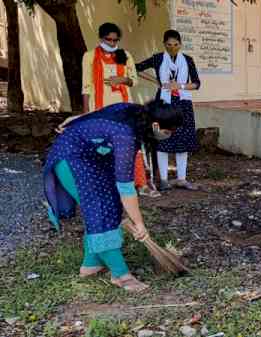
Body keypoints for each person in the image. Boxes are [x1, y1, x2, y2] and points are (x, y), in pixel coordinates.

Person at [44, 101, 183, 292]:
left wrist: (77, 119)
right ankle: (121, 275)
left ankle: (91, 264)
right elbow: (126, 187)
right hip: (72, 158)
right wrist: (139, 223)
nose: (170, 135)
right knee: (100, 209)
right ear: (156, 125)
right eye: (169, 131)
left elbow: (100, 113)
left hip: (93, 157)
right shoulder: (125, 135)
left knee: (110, 204)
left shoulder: (136, 113)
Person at [76, 23, 158, 198]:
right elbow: (86, 86)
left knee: (132, 146)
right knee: (102, 146)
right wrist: (85, 113)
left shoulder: (125, 55)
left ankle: (141, 184)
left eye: (115, 40)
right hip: (100, 108)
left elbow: (134, 80)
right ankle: (106, 185)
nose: (112, 43)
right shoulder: (89, 56)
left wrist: (122, 79)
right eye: (108, 40)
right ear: (101, 38)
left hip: (124, 108)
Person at [136, 29, 201, 191]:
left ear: (180, 44)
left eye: (176, 45)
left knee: (183, 140)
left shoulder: (188, 60)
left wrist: (180, 85)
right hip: (163, 104)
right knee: (162, 139)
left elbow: (197, 83)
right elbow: (136, 68)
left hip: (183, 103)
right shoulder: (158, 59)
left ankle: (181, 179)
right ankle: (163, 180)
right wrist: (157, 81)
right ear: (164, 44)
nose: (172, 48)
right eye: (169, 45)